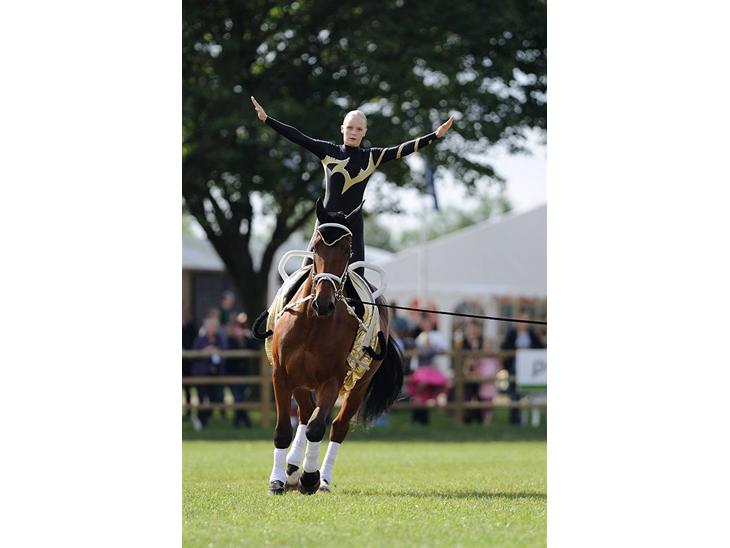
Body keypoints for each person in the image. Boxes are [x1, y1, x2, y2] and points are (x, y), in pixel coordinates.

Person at [250, 96, 454, 276]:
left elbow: (402, 149)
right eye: (349, 127)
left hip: (352, 227)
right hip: (325, 224)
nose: (353, 132)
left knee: (359, 281)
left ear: (365, 132)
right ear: (342, 129)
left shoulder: (372, 156)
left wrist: (435, 135)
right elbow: (298, 137)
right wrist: (267, 119)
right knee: (302, 277)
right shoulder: (329, 151)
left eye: (358, 129)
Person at [500, 310, 545, 425]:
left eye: (526, 320)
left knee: (531, 394)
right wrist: (518, 351)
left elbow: (540, 346)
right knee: (514, 394)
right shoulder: (512, 334)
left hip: (530, 370)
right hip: (514, 367)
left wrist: (528, 351)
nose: (524, 322)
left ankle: (531, 419)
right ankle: (514, 419)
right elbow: (505, 347)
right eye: (522, 320)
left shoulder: (532, 334)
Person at [191, 317, 227, 431]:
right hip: (202, 373)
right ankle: (200, 420)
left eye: (214, 327)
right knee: (202, 398)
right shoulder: (200, 339)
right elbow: (194, 353)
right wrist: (205, 351)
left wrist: (217, 350)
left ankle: (202, 419)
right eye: (210, 326)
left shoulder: (219, 338)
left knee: (216, 398)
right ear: (206, 327)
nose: (212, 329)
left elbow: (225, 350)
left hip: (216, 373)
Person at [225, 313, 257, 428]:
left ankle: (238, 420)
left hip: (244, 373)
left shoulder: (245, 339)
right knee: (238, 397)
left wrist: (249, 336)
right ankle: (245, 421)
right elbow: (229, 355)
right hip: (232, 372)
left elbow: (256, 346)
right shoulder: (229, 340)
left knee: (241, 397)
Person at [461, 320, 485, 424]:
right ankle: (467, 417)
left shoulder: (482, 341)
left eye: (475, 328)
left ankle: (479, 418)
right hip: (466, 374)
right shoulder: (463, 342)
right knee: (467, 395)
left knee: (479, 395)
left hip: (479, 373)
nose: (473, 331)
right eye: (471, 328)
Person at [182, 303, 197, 419]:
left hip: (187, 361)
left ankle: (189, 412)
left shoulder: (191, 326)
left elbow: (194, 341)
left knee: (187, 387)